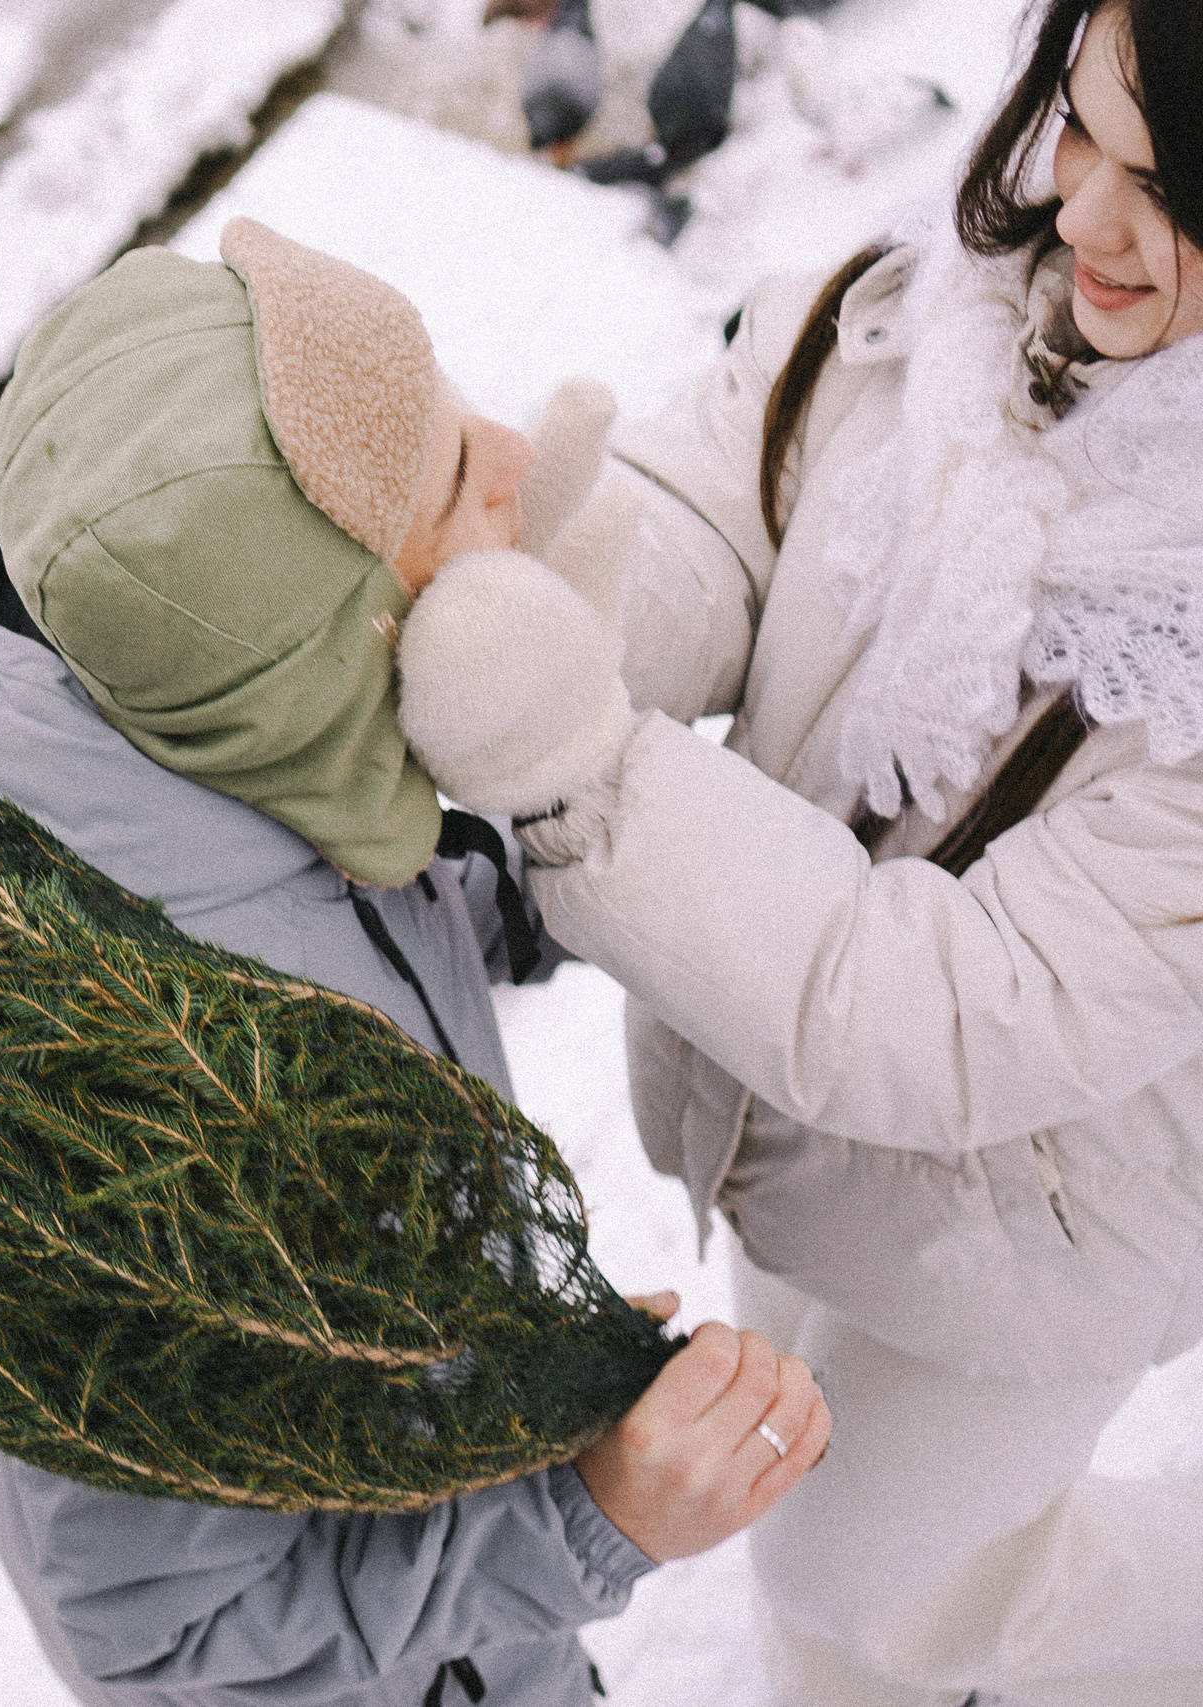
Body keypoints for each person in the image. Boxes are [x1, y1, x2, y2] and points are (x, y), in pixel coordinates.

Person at [0, 217, 831, 1707]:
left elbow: (384, 902)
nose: (510, 448)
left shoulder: (164, 732)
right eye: (451, 478)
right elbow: (165, 1640)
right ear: (319, 648)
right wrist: (582, 1522)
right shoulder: (145, 1117)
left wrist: (542, 767)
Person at [395, 2, 1203, 1701]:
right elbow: (726, 519)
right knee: (829, 1555)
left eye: (1175, 183)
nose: (1081, 216)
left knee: (884, 1588)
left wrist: (578, 773)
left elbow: (955, 1013)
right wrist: (563, 584)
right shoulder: (922, 313)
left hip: (1054, 1231)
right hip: (784, 1114)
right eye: (1079, 127)